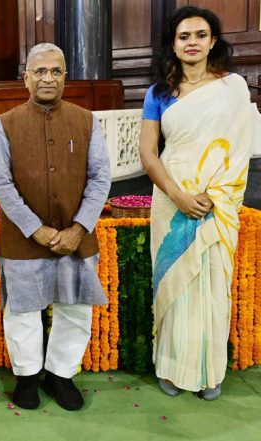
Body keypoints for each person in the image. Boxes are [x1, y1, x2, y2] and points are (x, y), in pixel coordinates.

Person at [140, 6, 255, 401]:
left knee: (211, 282)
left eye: (200, 35)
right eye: (184, 36)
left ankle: (209, 370)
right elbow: (149, 153)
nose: (192, 42)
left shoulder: (232, 89)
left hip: (218, 203)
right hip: (172, 200)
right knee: (175, 281)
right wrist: (179, 195)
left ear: (213, 41)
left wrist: (214, 195)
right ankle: (172, 368)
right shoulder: (158, 93)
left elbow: (240, 151)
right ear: (172, 43)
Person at [0, 43, 111, 411]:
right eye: (39, 71)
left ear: (65, 78)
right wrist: (35, 229)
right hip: (22, 238)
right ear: (26, 78)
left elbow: (101, 177)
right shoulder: (6, 123)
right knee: (23, 310)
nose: (47, 78)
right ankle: (27, 376)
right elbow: (1, 183)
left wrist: (79, 228)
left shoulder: (87, 120)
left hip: (77, 237)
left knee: (75, 308)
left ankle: (60, 374)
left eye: (55, 71)